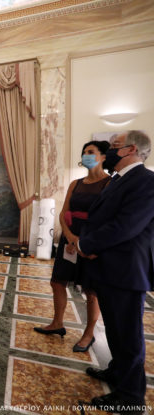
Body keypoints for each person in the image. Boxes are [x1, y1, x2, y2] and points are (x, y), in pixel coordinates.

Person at [78, 131, 154, 413]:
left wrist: (86, 244)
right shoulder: (120, 179)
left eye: (114, 146)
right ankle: (117, 371)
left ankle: (131, 396)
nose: (108, 150)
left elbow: (126, 226)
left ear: (131, 149)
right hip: (111, 268)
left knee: (128, 334)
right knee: (115, 327)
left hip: (126, 270)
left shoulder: (146, 181)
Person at [34, 140, 111, 352]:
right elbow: (63, 213)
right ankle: (57, 323)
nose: (86, 155)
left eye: (91, 152)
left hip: (92, 240)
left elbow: (107, 218)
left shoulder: (109, 184)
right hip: (70, 238)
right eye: (84, 152)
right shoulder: (75, 184)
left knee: (91, 290)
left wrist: (83, 242)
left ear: (103, 157)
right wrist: (69, 237)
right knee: (57, 282)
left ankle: (89, 334)